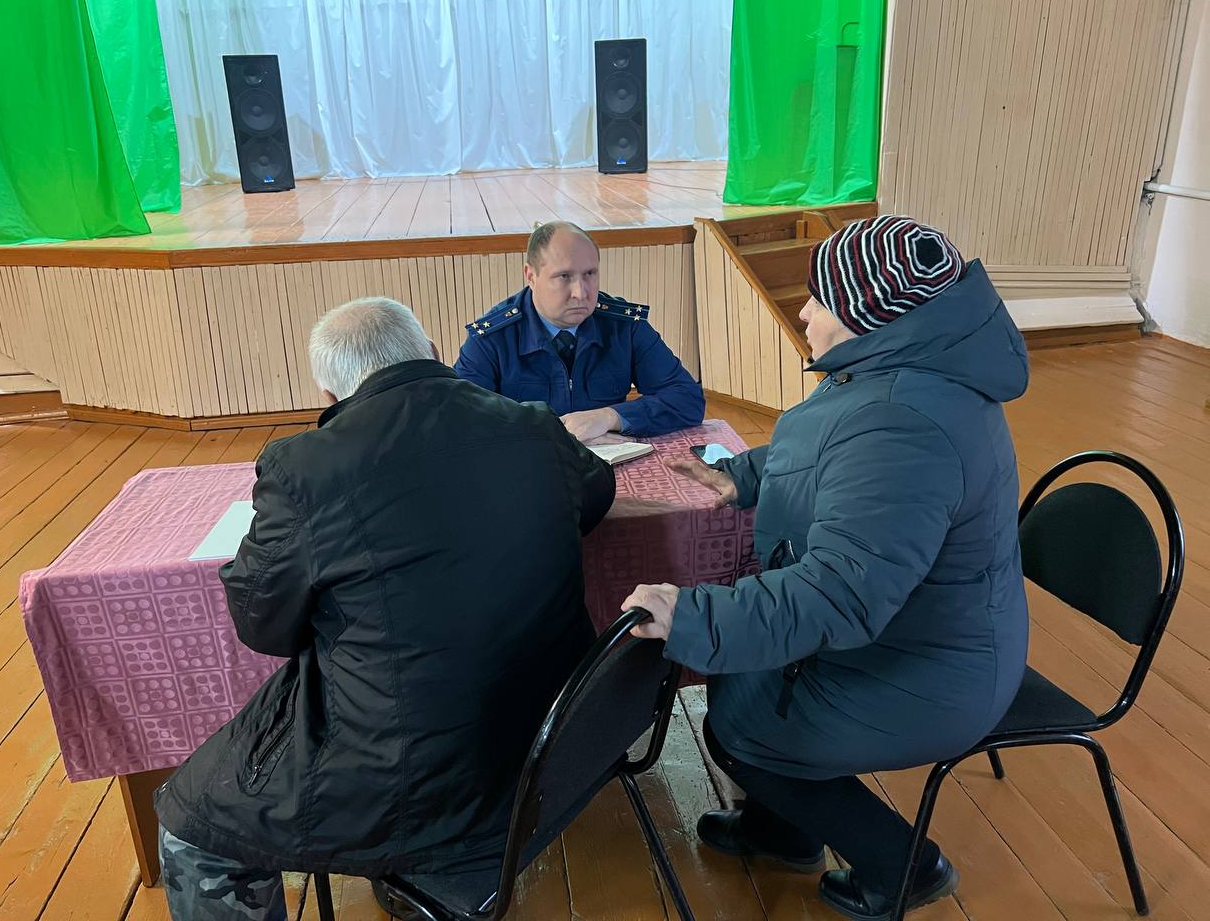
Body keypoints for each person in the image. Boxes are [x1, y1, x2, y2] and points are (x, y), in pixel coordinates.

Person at [621, 215, 1030, 920]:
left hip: (932, 671)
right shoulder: (901, 374)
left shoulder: (903, 423)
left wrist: (690, 614)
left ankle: (906, 866)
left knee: (739, 727)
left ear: (867, 314)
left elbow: (839, 595)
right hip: (925, 635)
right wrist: (743, 475)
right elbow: (830, 454)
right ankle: (785, 832)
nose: (805, 312)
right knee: (740, 679)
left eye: (820, 298)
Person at [154, 297, 615, 920]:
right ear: (432, 353)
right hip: (557, 738)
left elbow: (263, 625)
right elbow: (596, 492)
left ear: (328, 392)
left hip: (422, 779)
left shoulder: (304, 467)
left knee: (192, 830)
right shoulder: (532, 424)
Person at [454, 220, 705, 442]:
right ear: (531, 276)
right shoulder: (492, 338)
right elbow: (461, 423)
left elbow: (687, 399)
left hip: (610, 464)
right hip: (530, 467)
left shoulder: (623, 326)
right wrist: (559, 438)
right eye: (564, 276)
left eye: (589, 274)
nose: (581, 292)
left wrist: (609, 417)